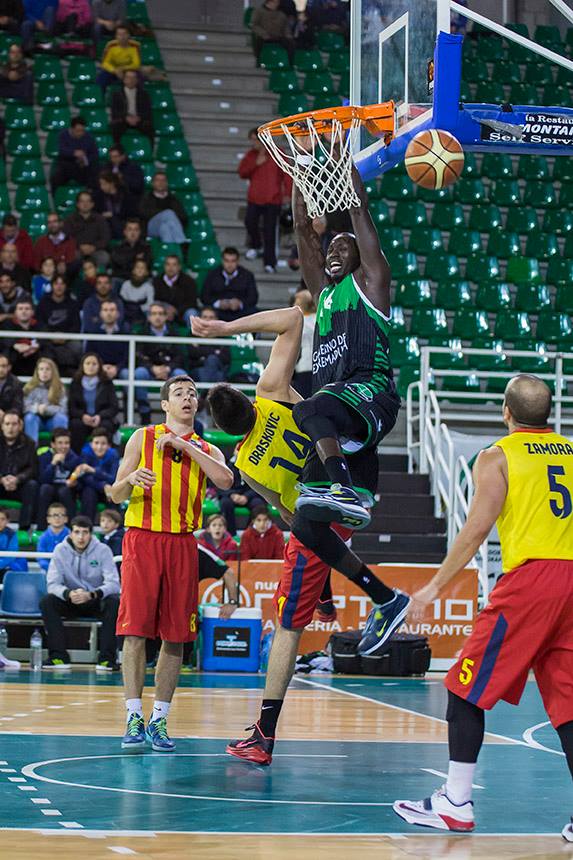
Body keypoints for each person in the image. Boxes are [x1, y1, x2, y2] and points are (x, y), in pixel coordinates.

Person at [195, 306, 407, 764]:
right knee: (311, 541)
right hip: (353, 477)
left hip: (319, 514)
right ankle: (336, 593)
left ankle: (264, 734)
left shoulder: (247, 464)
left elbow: (288, 513)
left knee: (287, 626)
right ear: (248, 398)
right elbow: (293, 317)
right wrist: (227, 329)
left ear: (223, 432)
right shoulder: (272, 391)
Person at [394, 375, 573, 841]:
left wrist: (433, 588)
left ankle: (456, 803)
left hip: (532, 581)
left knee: (463, 686)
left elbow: (475, 531)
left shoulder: (498, 456)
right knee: (569, 704)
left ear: (506, 413)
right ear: (548, 414)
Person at [110, 375, 233, 751]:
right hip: (142, 539)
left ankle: (159, 720)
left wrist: (182, 444)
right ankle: (133, 714)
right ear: (165, 404)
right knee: (135, 631)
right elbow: (114, 494)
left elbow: (226, 480)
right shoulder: (141, 438)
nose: (188, 398)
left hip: (182, 543)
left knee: (177, 635)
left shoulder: (206, 448)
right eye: (179, 393)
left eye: (193, 394)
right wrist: (130, 478)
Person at [290, 164, 400, 532]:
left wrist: (345, 160)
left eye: (343, 247)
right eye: (331, 247)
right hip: (341, 403)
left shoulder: (372, 282)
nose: (333, 251)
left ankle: (343, 487)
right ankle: (359, 491)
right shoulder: (323, 295)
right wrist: (297, 173)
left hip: (372, 389)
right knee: (305, 518)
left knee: (308, 407)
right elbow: (302, 230)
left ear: (360, 257)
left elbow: (358, 210)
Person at [40, 515, 120, 670]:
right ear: (70, 533)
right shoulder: (60, 550)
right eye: (77, 532)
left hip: (95, 599)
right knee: (47, 601)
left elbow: (113, 584)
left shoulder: (103, 550)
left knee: (115, 602)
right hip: (71, 599)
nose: (81, 537)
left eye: (85, 532)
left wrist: (92, 594)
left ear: (91, 534)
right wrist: (68, 593)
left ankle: (106, 659)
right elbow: (52, 583)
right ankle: (59, 657)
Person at [238, 130, 291, 273]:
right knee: (250, 222)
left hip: (273, 200)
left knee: (270, 231)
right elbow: (242, 172)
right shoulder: (251, 155)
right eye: (252, 140)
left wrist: (287, 192)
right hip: (254, 198)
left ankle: (270, 262)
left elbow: (287, 174)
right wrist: (255, 163)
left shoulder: (278, 153)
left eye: (256, 140)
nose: (253, 143)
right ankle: (256, 245)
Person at [68, 352, 119, 453]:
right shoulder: (75, 383)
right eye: (87, 363)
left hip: (101, 419)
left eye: (94, 364)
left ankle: (105, 458)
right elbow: (71, 407)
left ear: (99, 366)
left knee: (106, 426)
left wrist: (99, 416)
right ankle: (78, 459)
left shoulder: (107, 383)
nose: (90, 366)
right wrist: (83, 416)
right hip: (82, 419)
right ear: (82, 365)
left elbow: (113, 407)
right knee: (75, 425)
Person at [36, 275, 82, 375]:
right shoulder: (43, 303)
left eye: (62, 284)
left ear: (66, 286)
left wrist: (65, 337)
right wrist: (51, 336)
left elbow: (76, 325)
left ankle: (75, 375)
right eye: (56, 283)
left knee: (77, 347)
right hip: (47, 337)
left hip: (68, 337)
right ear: (52, 286)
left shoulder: (73, 304)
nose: (59, 287)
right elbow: (39, 323)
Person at [0, 411, 38, 529]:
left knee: (32, 485)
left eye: (14, 424)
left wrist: (17, 479)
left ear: (20, 425)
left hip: (19, 485)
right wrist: (1, 479)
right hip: (1, 483)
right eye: (7, 424)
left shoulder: (29, 443)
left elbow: (33, 469)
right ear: (1, 426)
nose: (10, 428)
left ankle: (24, 528)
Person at [37, 428, 80, 529]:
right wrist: (52, 464)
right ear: (53, 444)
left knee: (64, 491)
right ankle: (41, 527)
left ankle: (71, 527)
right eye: (60, 443)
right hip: (50, 487)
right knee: (45, 488)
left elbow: (80, 482)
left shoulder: (75, 458)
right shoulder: (45, 456)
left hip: (67, 489)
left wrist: (75, 483)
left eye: (66, 443)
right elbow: (42, 479)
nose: (64, 446)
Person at [201, 247, 258, 322]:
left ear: (237, 261)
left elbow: (253, 298)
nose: (229, 264)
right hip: (218, 312)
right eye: (226, 261)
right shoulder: (212, 274)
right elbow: (204, 296)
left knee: (253, 312)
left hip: (240, 312)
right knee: (208, 314)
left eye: (233, 261)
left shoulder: (247, 275)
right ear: (222, 261)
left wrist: (240, 303)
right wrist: (219, 303)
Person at [77, 429, 119, 523]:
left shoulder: (113, 455)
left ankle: (116, 529)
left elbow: (113, 478)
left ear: (109, 445)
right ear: (91, 444)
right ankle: (86, 525)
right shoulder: (85, 453)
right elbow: (85, 478)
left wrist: (93, 470)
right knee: (88, 491)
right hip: (92, 488)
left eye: (103, 444)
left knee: (115, 492)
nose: (99, 447)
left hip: (108, 490)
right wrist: (103, 485)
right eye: (96, 443)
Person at [23, 357, 68, 444]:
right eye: (41, 369)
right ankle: (31, 452)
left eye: (48, 369)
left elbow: (63, 409)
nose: (44, 372)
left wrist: (46, 409)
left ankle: (60, 450)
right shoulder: (29, 387)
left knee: (61, 418)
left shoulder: (60, 388)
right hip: (36, 422)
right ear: (37, 372)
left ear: (53, 372)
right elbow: (24, 407)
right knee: (29, 417)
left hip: (52, 421)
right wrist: (37, 408)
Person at [51, 117, 99, 195]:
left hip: (83, 167)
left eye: (82, 131)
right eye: (78, 131)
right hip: (66, 165)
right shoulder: (63, 135)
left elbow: (94, 154)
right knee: (56, 177)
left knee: (96, 171)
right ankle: (57, 199)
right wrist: (73, 153)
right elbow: (61, 150)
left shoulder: (89, 137)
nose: (80, 133)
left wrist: (86, 160)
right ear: (72, 129)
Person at [84, 298, 130, 380]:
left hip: (119, 369)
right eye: (105, 310)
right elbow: (89, 354)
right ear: (101, 313)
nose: (109, 313)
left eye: (112, 310)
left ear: (118, 314)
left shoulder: (125, 332)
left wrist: (117, 368)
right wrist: (101, 367)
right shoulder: (94, 332)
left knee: (126, 374)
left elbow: (127, 357)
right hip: (99, 367)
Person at [63, 191, 110, 269]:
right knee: (72, 256)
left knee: (104, 257)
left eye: (88, 201)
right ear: (77, 204)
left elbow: (105, 238)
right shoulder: (70, 220)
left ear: (92, 204)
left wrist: (94, 247)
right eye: (82, 201)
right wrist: (79, 246)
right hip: (77, 250)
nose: (85, 204)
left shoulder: (100, 219)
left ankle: (98, 279)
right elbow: (66, 238)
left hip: (96, 250)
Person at [139, 171, 188, 246]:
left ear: (167, 183)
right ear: (153, 183)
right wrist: (163, 213)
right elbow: (143, 213)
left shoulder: (173, 199)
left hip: (168, 226)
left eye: (163, 180)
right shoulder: (146, 198)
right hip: (151, 227)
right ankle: (182, 243)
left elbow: (183, 217)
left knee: (165, 228)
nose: (160, 183)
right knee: (168, 213)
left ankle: (170, 252)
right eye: (158, 180)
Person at [218, 462, 265, 536]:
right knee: (225, 503)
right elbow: (220, 484)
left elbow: (261, 484)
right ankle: (229, 535)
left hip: (251, 495)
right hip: (231, 495)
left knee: (258, 505)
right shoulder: (227, 465)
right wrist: (232, 494)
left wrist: (246, 496)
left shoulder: (256, 466)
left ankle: (250, 535)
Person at [4, 297, 46, 377]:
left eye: (27, 309)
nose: (23, 311)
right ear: (15, 312)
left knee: (46, 352)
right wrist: (15, 345)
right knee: (7, 352)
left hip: (34, 356)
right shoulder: (8, 324)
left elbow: (45, 340)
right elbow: (4, 340)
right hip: (15, 357)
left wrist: (34, 347)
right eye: (20, 309)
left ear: (32, 312)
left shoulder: (39, 324)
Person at [110, 68, 153, 145]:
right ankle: (118, 150)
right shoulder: (117, 94)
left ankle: (150, 152)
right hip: (123, 119)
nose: (131, 80)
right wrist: (126, 117)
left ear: (137, 80)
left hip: (139, 119)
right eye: (128, 77)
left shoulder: (144, 94)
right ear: (124, 80)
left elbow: (148, 111)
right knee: (115, 128)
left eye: (133, 78)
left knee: (150, 129)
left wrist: (138, 117)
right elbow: (115, 111)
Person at [152, 254, 198, 326]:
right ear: (164, 266)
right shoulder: (157, 281)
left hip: (182, 312)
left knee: (192, 313)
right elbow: (155, 300)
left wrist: (176, 310)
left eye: (174, 265)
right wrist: (165, 309)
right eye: (168, 264)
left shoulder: (189, 281)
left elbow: (192, 302)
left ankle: (192, 335)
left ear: (179, 267)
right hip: (162, 311)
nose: (171, 268)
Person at [94, 170, 137, 240]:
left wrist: (113, 214)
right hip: (105, 223)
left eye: (104, 184)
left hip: (122, 222)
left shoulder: (126, 196)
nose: (102, 187)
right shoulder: (99, 197)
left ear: (112, 183)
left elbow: (131, 213)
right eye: (101, 184)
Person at [96, 24, 141, 91]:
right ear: (116, 36)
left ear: (129, 35)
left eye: (124, 34)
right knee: (101, 79)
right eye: (119, 34)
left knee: (138, 79)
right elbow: (105, 63)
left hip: (128, 69)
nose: (122, 37)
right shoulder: (111, 45)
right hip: (113, 70)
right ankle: (102, 99)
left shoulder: (135, 45)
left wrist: (122, 68)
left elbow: (136, 64)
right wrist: (115, 70)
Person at [33, 212, 78, 277]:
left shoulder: (70, 241)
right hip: (45, 276)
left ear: (61, 223)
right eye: (49, 222)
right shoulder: (41, 242)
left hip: (66, 277)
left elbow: (71, 260)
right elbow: (36, 263)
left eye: (55, 222)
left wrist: (64, 264)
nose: (52, 225)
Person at [110, 217, 152, 282]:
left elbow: (146, 265)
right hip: (122, 278)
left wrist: (128, 259)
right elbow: (119, 262)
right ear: (125, 232)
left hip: (141, 278)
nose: (133, 233)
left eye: (136, 230)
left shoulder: (146, 247)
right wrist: (135, 256)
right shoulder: (117, 247)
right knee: (114, 280)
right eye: (130, 229)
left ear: (140, 232)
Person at [292, 288, 315, 398]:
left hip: (304, 366)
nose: (294, 304)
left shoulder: (298, 322)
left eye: (297, 301)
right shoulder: (321, 318)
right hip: (321, 366)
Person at [37, 501, 70, 570]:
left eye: (61, 515)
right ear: (48, 519)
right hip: (48, 569)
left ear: (66, 519)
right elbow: (40, 558)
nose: (57, 518)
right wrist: (52, 568)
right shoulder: (43, 537)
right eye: (54, 515)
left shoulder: (71, 536)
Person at [119, 259, 154, 324]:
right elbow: (122, 299)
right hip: (127, 311)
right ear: (133, 270)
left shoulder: (149, 287)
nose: (140, 270)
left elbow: (150, 303)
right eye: (137, 267)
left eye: (142, 268)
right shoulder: (126, 284)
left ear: (146, 272)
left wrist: (139, 308)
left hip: (141, 312)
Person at [0, 504, 27, 574]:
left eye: (2, 519)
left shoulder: (11, 535)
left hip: (5, 567)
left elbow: (11, 555)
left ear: (7, 521)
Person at [0, 352, 23, 419]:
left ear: (9, 367)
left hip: (9, 418)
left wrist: (5, 416)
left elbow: (18, 407)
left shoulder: (16, 383)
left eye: (3, 366)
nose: (0, 369)